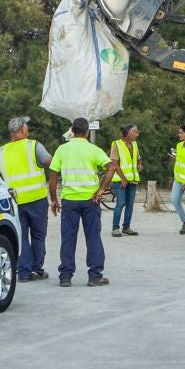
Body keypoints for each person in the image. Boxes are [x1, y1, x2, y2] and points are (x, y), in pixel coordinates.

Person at [49, 117, 119, 287]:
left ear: (72, 131)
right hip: (90, 201)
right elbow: (111, 167)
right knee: (93, 237)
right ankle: (95, 276)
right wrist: (101, 189)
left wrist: (53, 199)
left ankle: (65, 277)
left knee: (68, 238)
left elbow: (52, 177)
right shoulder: (93, 150)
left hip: (69, 201)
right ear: (87, 132)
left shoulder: (62, 150)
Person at [0, 116, 53, 281]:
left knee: (21, 236)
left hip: (14, 201)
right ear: (23, 130)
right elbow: (51, 163)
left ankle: (24, 272)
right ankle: (36, 270)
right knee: (38, 236)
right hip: (37, 199)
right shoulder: (34, 146)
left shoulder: (0, 152)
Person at [110, 123, 143, 236]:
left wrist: (139, 163)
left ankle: (126, 227)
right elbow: (114, 163)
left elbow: (138, 157)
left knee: (130, 204)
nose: (137, 134)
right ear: (128, 133)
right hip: (120, 180)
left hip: (132, 180)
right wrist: (123, 178)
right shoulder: (116, 144)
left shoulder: (135, 144)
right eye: (135, 132)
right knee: (121, 203)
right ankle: (115, 228)